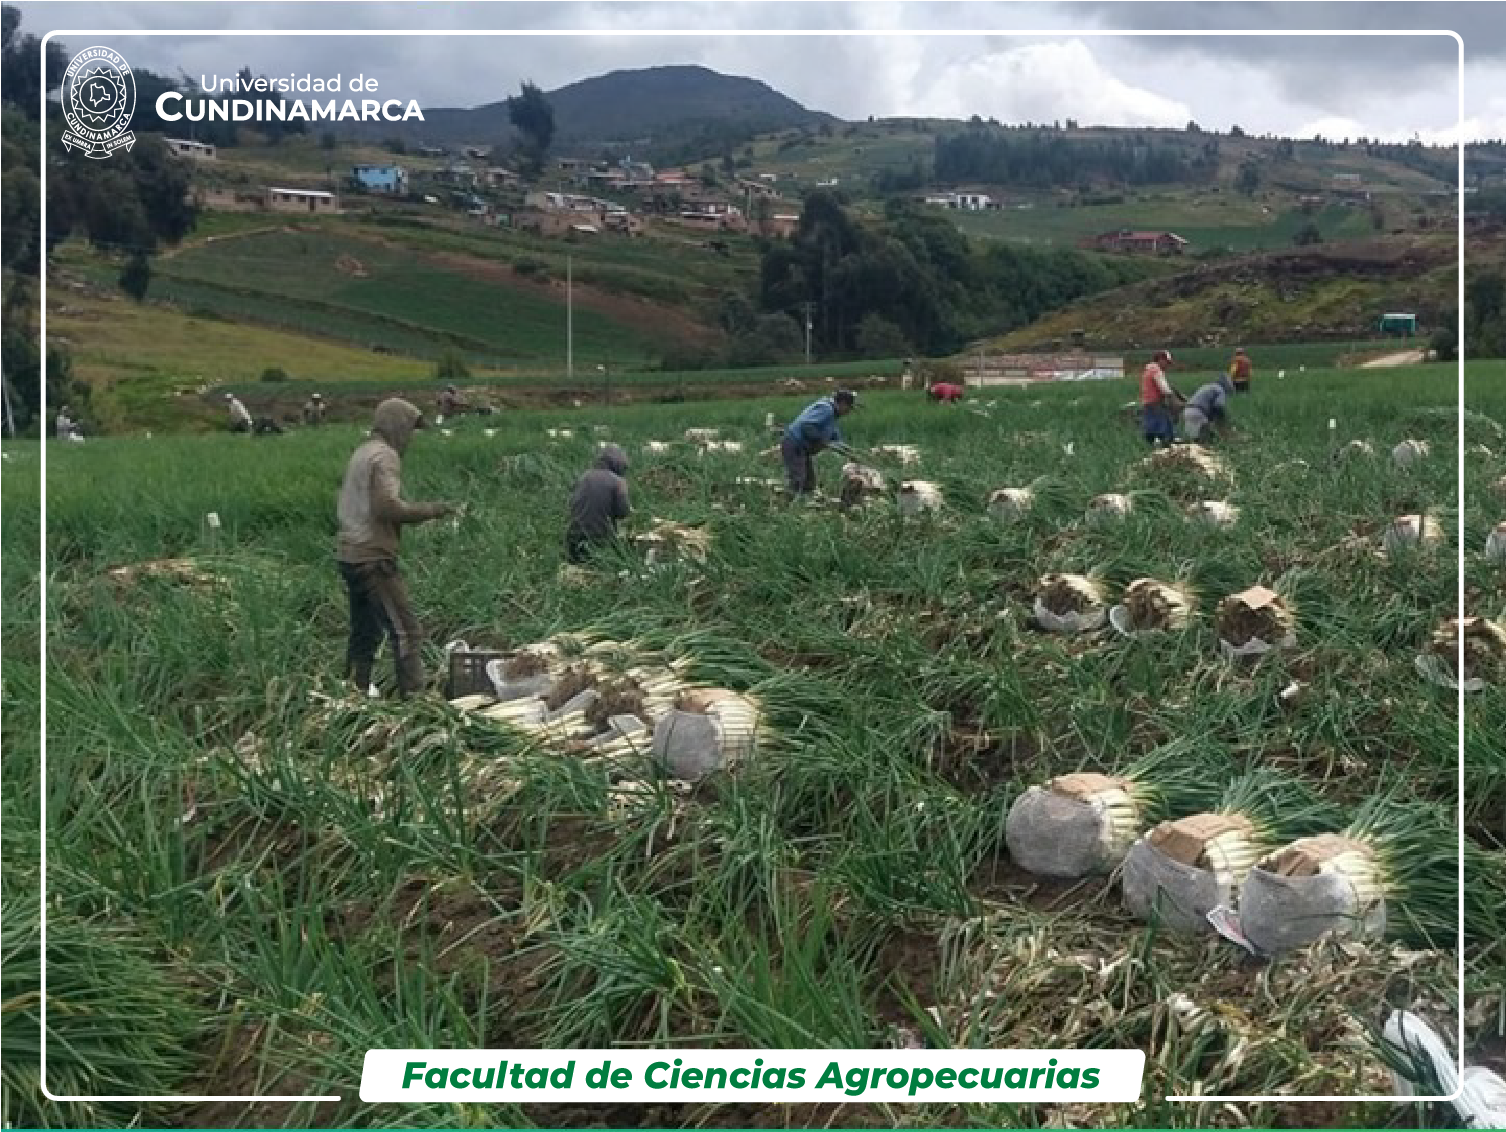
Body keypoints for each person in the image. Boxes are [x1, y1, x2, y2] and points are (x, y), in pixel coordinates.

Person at [335, 398, 455, 698]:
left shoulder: (362, 452)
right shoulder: (385, 456)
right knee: (407, 632)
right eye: (410, 429)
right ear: (397, 426)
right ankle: (415, 702)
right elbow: (386, 507)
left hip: (350, 554)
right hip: (372, 558)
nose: (411, 437)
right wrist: (433, 510)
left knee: (365, 631)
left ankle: (353, 692)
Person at [781, 389, 857, 497]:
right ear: (842, 403)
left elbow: (835, 439)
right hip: (795, 445)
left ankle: (806, 505)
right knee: (798, 480)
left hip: (802, 449)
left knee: (809, 482)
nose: (848, 412)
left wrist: (849, 452)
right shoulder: (826, 409)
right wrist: (821, 441)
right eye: (849, 408)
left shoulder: (832, 416)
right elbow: (807, 426)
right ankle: (791, 504)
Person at [565, 444, 631, 564]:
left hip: (573, 538)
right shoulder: (618, 482)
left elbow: (572, 505)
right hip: (598, 541)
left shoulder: (583, 477)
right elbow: (623, 513)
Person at [1139, 350, 1181, 447]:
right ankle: (1166, 448)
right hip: (1155, 404)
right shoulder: (1156, 370)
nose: (1168, 365)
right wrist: (1174, 401)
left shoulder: (1148, 369)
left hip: (1148, 403)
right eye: (1167, 362)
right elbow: (1164, 388)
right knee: (1164, 428)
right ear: (1161, 360)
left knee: (1151, 427)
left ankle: (1151, 446)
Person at [1182, 372, 1235, 442]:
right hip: (1198, 413)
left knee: (1192, 439)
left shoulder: (1207, 386)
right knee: (1205, 439)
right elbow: (1218, 407)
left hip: (1187, 411)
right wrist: (1222, 421)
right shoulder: (1220, 390)